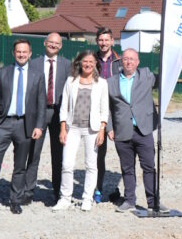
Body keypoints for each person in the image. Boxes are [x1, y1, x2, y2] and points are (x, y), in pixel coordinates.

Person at [0, 39, 46, 215]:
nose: (21, 55)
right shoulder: (4, 72)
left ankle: (15, 200)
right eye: (18, 52)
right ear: (13, 53)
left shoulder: (38, 75)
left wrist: (39, 126)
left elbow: (41, 103)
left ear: (30, 54)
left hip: (25, 125)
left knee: (20, 165)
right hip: (3, 124)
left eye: (25, 52)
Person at [107, 48, 166, 212]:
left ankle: (153, 201)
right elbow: (107, 108)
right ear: (121, 61)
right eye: (126, 59)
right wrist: (109, 128)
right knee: (127, 168)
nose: (129, 62)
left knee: (149, 167)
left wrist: (180, 62)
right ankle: (129, 200)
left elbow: (164, 78)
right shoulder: (110, 82)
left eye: (132, 59)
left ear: (138, 62)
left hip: (143, 129)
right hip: (122, 131)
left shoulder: (146, 75)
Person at [52, 50, 109, 212]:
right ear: (79, 63)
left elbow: (104, 110)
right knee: (67, 164)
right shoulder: (71, 81)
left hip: (92, 129)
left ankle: (87, 198)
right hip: (73, 128)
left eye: (91, 62)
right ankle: (65, 198)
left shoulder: (102, 83)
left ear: (95, 64)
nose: (88, 64)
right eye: (85, 61)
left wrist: (102, 130)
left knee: (91, 165)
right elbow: (64, 107)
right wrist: (63, 128)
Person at [23, 32, 71, 205]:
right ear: (44, 43)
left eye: (57, 43)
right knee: (33, 153)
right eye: (50, 42)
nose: (53, 45)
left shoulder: (67, 65)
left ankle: (58, 192)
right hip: (39, 113)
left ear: (61, 46)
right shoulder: (33, 64)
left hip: (59, 115)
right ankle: (28, 192)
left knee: (58, 155)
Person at [93, 27, 122, 203]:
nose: (103, 43)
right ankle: (98, 188)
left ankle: (128, 191)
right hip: (97, 112)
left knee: (124, 151)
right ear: (97, 41)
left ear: (112, 41)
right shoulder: (90, 60)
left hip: (117, 110)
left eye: (106, 40)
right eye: (100, 40)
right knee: (98, 153)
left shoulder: (119, 62)